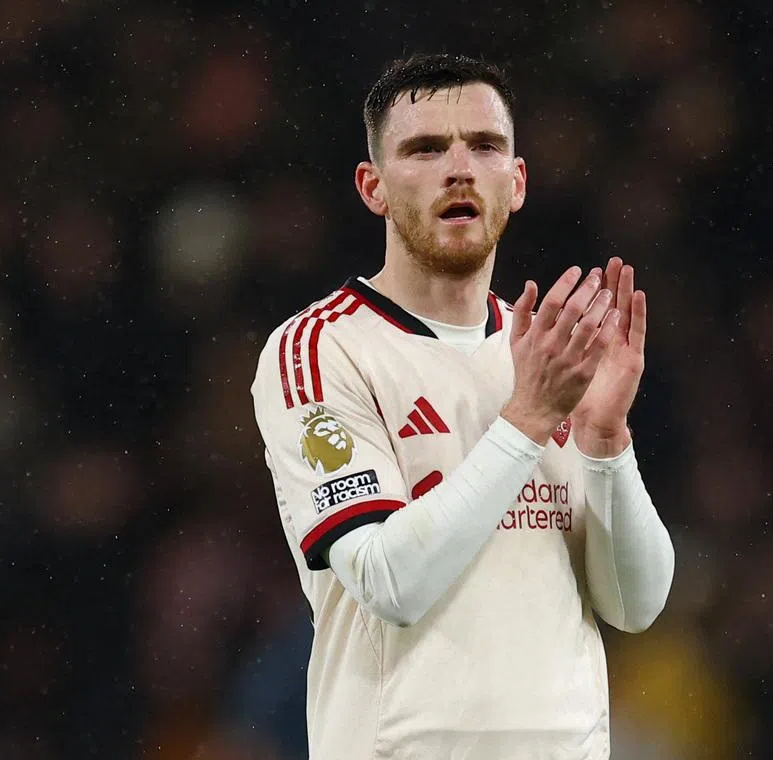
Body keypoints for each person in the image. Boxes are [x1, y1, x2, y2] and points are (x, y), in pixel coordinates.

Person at [250, 52, 675, 760]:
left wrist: (605, 438)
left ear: (517, 182)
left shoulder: (548, 355)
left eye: (484, 145)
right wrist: (528, 421)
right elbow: (390, 580)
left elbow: (636, 605)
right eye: (424, 148)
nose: (459, 167)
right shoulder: (321, 350)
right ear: (373, 187)